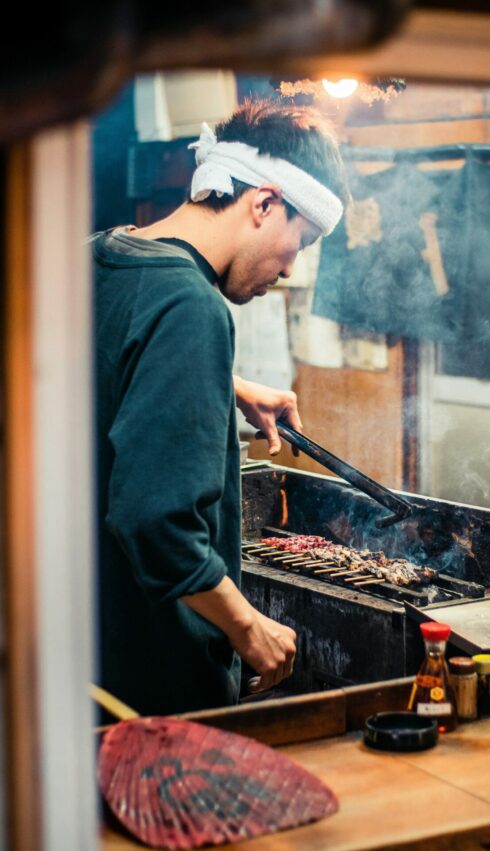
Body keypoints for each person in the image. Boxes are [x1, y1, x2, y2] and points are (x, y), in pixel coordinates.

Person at [92, 99, 349, 715]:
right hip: (151, 689)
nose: (290, 268)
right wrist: (247, 628)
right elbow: (154, 522)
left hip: (80, 661)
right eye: (300, 241)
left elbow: (104, 353)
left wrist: (222, 382)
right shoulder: (191, 307)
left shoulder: (102, 254)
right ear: (263, 203)